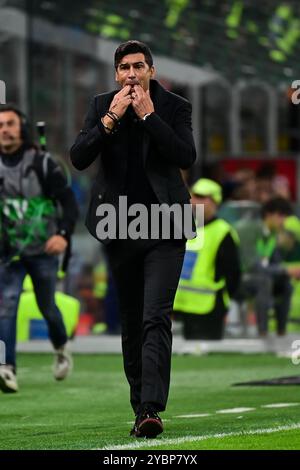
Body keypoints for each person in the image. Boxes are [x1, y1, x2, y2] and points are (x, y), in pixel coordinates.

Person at [70, 40, 196, 438]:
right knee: (130, 321)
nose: (131, 74)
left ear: (151, 71)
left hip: (165, 226)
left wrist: (149, 117)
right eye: (124, 67)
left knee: (154, 316)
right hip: (119, 227)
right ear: (116, 73)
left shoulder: (175, 107)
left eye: (138, 66)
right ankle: (139, 404)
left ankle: (151, 409)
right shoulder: (102, 104)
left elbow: (185, 156)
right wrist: (111, 118)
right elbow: (78, 156)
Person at [0, 104, 78, 393]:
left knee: (48, 307)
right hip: (10, 252)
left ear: (22, 128)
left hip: (44, 249)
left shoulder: (43, 164)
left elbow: (68, 203)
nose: (4, 130)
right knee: (7, 306)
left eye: (9, 124)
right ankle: (6, 368)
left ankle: (61, 348)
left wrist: (62, 235)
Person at [173, 178, 241, 339]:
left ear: (215, 201)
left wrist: (224, 303)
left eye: (201, 197)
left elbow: (233, 273)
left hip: (209, 307)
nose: (194, 201)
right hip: (182, 305)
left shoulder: (223, 232)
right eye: (193, 196)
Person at [237, 197, 300, 336]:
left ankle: (281, 333)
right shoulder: (248, 229)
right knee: (264, 282)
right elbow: (251, 266)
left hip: (256, 276)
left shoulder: (271, 234)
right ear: (269, 214)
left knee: (285, 283)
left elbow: (275, 263)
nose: (283, 222)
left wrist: (287, 272)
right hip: (236, 278)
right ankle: (263, 334)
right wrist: (286, 270)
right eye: (281, 216)